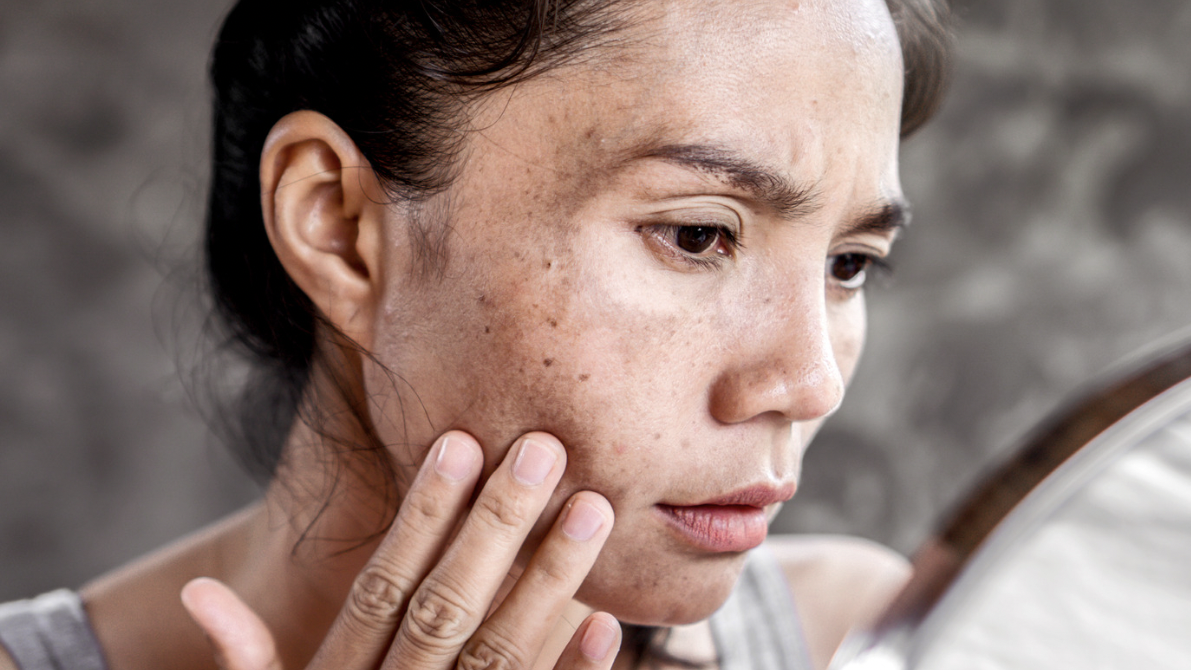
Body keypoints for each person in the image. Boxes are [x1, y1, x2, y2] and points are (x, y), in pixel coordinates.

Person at [0, 0, 951, 668]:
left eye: (848, 263)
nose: (810, 380)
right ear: (338, 227)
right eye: (697, 234)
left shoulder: (868, 643)